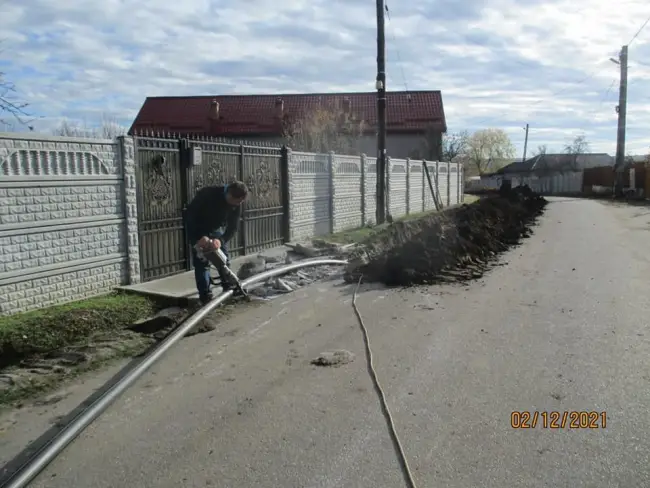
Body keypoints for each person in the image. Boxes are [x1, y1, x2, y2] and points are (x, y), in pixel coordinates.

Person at [184, 181, 249, 304]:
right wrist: (197, 240)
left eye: (240, 202)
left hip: (216, 230)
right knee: (202, 263)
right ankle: (205, 296)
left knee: (223, 260)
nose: (238, 205)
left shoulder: (236, 203)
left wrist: (220, 240)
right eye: (237, 202)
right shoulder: (207, 194)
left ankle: (228, 287)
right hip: (199, 229)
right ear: (229, 195)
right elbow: (190, 218)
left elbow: (233, 228)